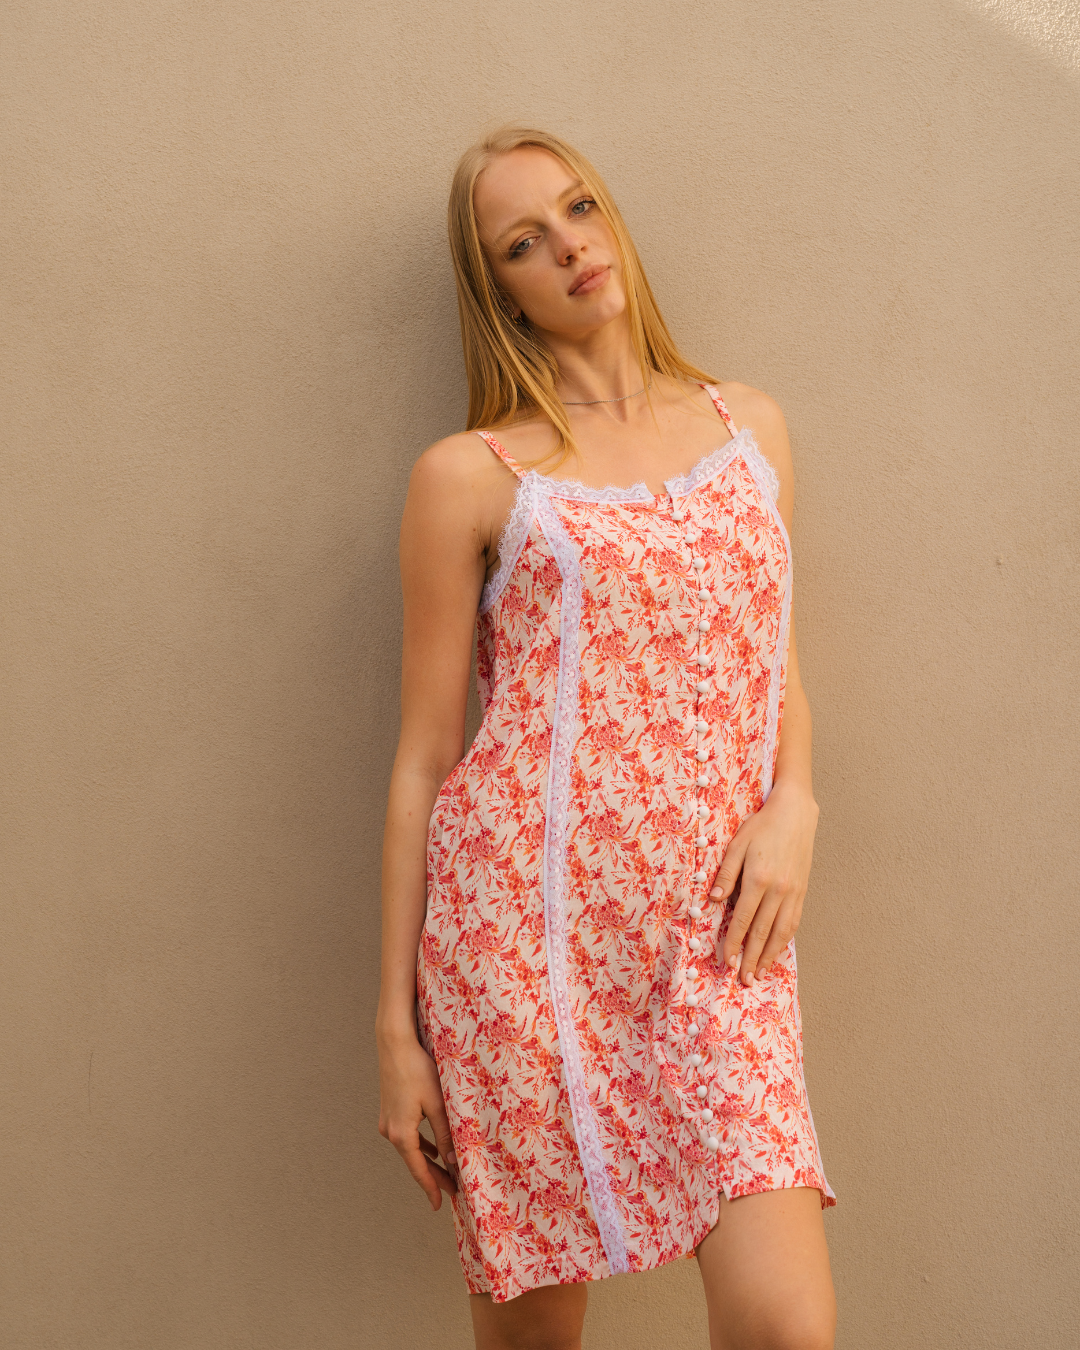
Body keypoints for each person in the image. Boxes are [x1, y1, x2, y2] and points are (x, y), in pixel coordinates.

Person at [377, 125, 837, 1350]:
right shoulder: (470, 477)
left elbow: (771, 659)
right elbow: (425, 763)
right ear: (499, 291)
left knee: (786, 1327)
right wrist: (395, 1031)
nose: (570, 247)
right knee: (536, 1343)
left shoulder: (750, 430)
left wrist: (796, 804)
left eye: (579, 209)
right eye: (523, 243)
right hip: (520, 954)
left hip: (717, 939)